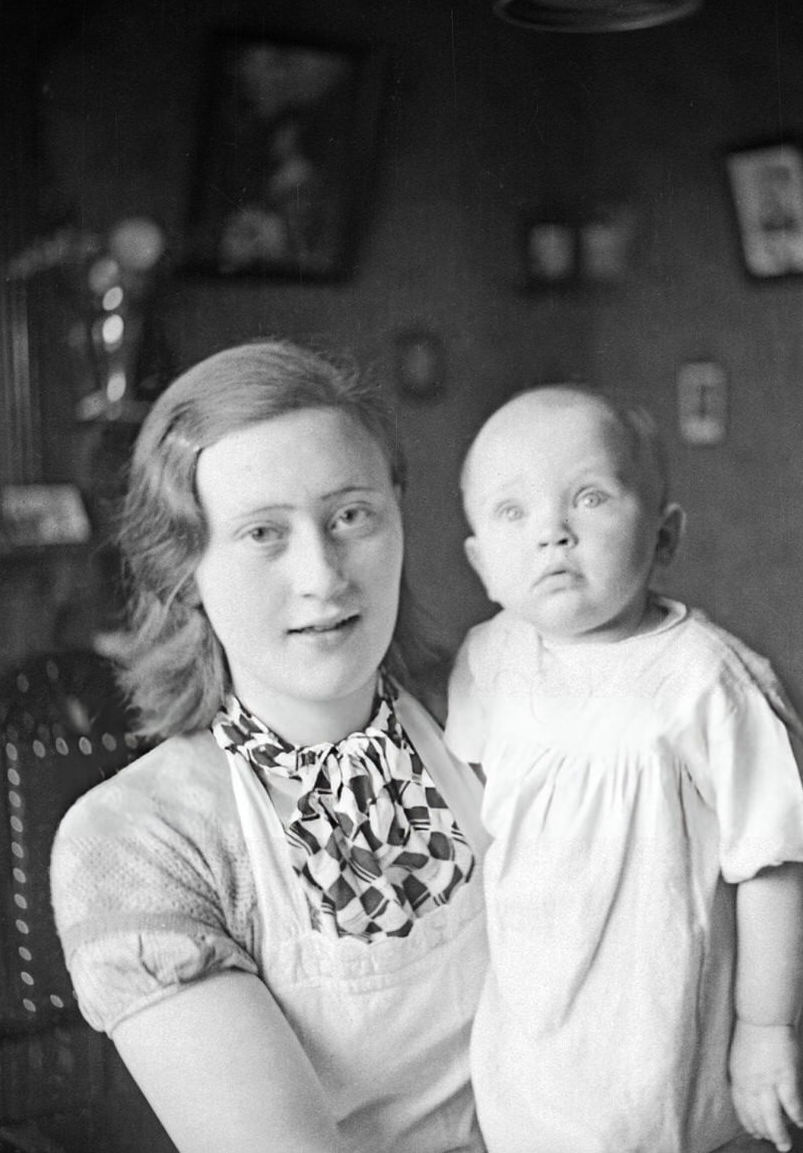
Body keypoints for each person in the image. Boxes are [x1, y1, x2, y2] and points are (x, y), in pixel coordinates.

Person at [50, 338, 490, 1152]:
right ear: (184, 574)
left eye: (351, 515)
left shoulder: (497, 722)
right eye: (262, 534)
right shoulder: (139, 837)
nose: (323, 575)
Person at [445, 384, 803, 1153]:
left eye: (591, 498)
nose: (553, 533)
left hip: (671, 998)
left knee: (671, 1121)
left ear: (665, 536)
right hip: (545, 1005)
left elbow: (771, 868)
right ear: (481, 561)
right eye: (514, 512)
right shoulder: (489, 661)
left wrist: (764, 1029)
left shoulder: (710, 682)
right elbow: (479, 814)